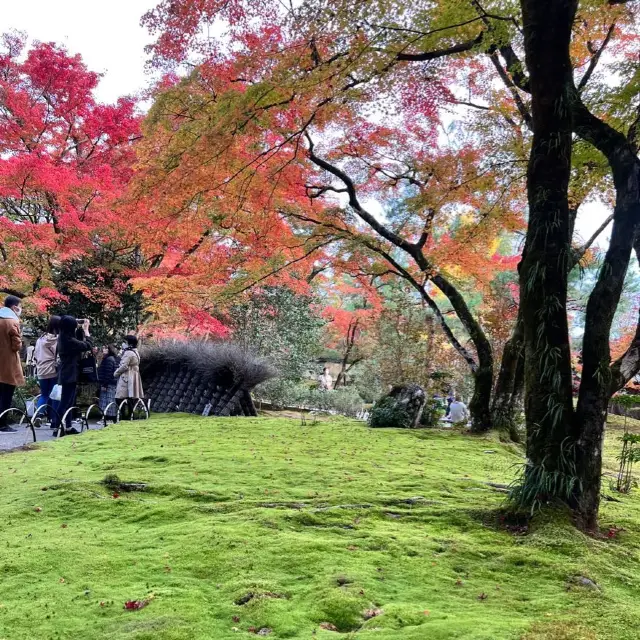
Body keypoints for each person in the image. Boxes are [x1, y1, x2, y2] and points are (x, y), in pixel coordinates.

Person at [52, 316, 92, 435]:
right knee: (65, 402)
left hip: (67, 372)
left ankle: (68, 427)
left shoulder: (64, 337)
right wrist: (86, 331)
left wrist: (79, 327)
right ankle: (57, 428)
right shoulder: (68, 340)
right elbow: (87, 346)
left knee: (69, 402)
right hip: (69, 374)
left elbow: (78, 342)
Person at [0, 295, 24, 432]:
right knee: (7, 395)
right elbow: (16, 346)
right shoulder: (12, 322)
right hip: (8, 363)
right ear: (15, 307)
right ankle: (2, 423)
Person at [34, 315, 61, 424]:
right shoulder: (57, 339)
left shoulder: (40, 339)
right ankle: (54, 420)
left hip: (41, 369)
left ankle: (39, 414)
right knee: (55, 395)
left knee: (44, 394)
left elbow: (36, 354)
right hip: (53, 370)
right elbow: (58, 355)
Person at [114, 335, 144, 418]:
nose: (123, 344)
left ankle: (125, 416)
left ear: (129, 343)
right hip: (134, 376)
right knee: (130, 397)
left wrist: (116, 373)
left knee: (119, 397)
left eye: (125, 342)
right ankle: (130, 415)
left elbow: (124, 366)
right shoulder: (135, 351)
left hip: (126, 377)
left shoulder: (128, 353)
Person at [98, 344, 120, 420]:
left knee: (108, 400)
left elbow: (108, 373)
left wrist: (104, 385)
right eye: (103, 348)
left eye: (105, 348)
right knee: (107, 400)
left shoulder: (109, 359)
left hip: (109, 383)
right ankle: (107, 417)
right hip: (109, 383)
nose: (103, 350)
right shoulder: (109, 358)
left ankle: (109, 417)